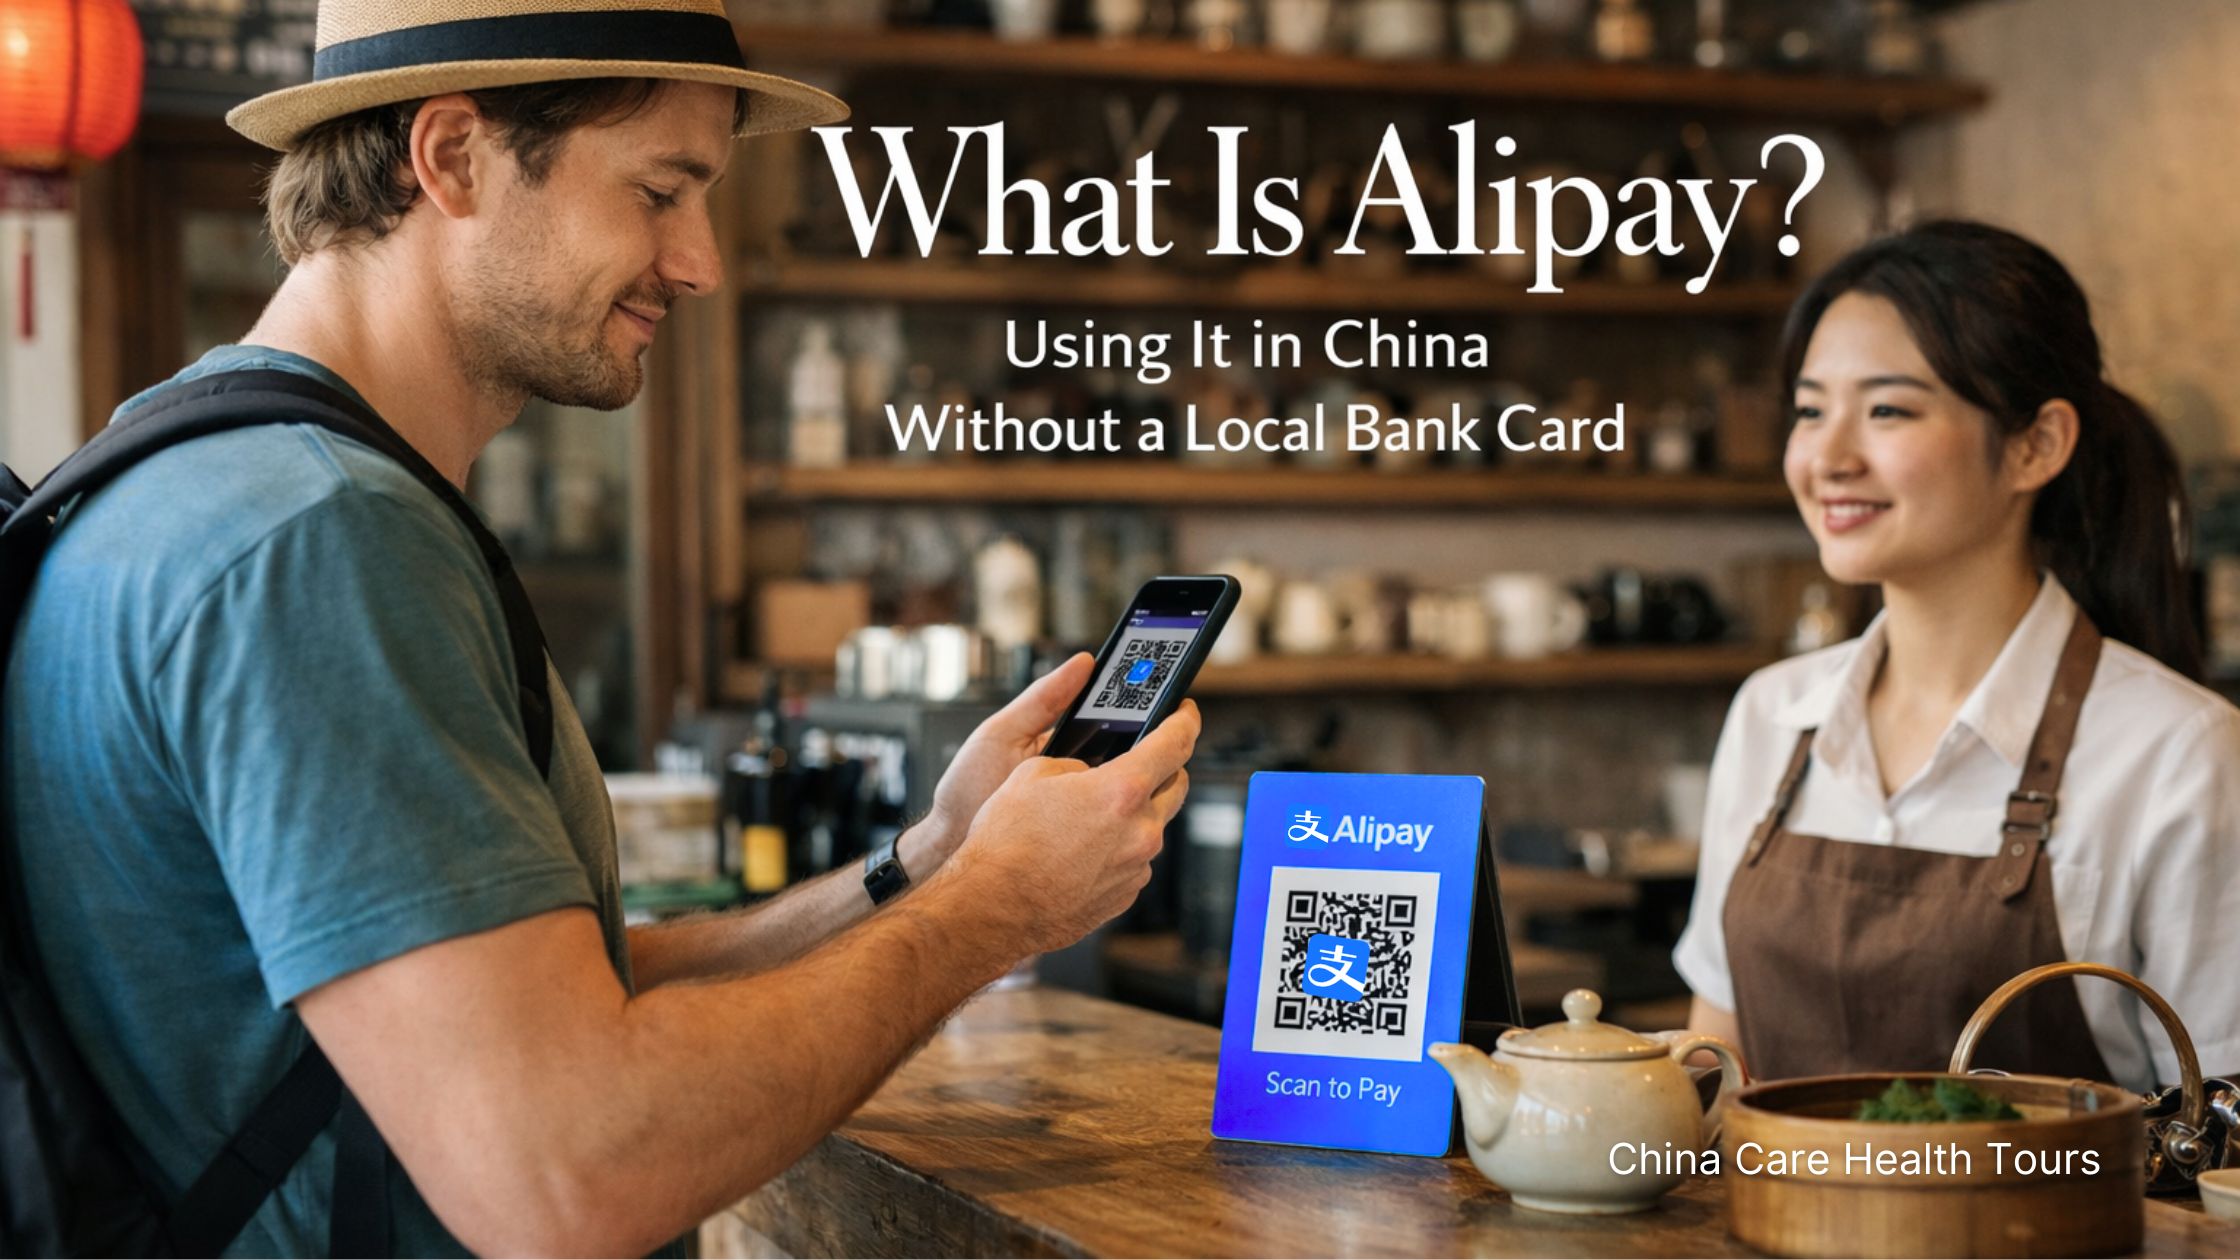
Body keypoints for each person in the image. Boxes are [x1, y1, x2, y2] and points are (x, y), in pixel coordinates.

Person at [0, 1, 1200, 1254]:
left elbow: (532, 1007)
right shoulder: (320, 538)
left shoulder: (186, 468)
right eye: (659, 191)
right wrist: (997, 912)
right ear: (452, 157)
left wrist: (931, 860)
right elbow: (567, 1173)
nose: (700, 262)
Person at [1674, 220, 2240, 1094]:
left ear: (2036, 445)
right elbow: (1716, 1069)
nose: (1828, 458)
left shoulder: (2175, 752)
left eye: (1888, 409)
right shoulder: (1771, 715)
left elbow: (2223, 1147)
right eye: (1811, 410)